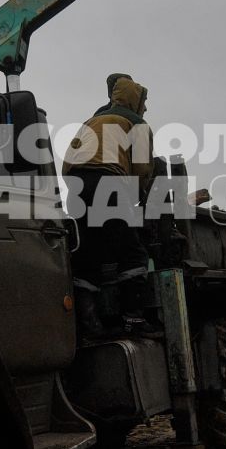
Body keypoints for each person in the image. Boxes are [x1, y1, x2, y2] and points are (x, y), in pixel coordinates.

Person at [62, 75, 155, 332]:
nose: (145, 109)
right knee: (131, 251)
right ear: (136, 101)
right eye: (144, 103)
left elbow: (68, 160)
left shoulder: (90, 121)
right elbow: (142, 170)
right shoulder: (136, 122)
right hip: (110, 182)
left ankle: (89, 322)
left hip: (76, 184)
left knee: (88, 252)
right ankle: (134, 318)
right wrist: (135, 203)